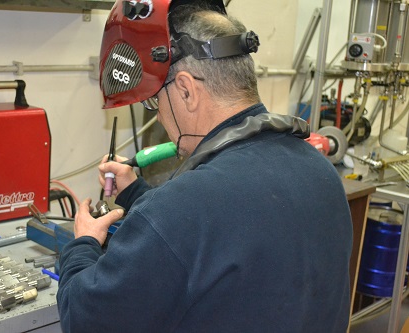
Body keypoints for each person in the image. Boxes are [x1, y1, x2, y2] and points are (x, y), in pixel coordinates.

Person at [57, 0, 353, 332]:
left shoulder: (185, 208)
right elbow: (216, 234)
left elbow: (85, 320)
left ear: (186, 90)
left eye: (156, 100)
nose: (159, 115)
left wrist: (82, 244)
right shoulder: (320, 172)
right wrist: (136, 193)